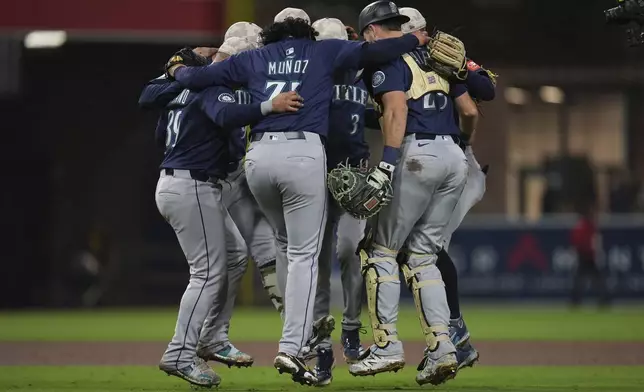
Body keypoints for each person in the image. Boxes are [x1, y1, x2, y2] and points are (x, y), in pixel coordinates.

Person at [165, 7, 430, 385]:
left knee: (285, 245)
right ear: (307, 33)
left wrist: (177, 68)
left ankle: (304, 341)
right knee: (306, 254)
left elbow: (199, 78)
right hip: (302, 155)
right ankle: (295, 346)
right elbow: (373, 53)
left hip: (257, 158)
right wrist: (413, 39)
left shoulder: (254, 57)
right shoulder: (320, 51)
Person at [149, 45, 302, 387]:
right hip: (193, 186)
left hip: (185, 182)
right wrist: (267, 106)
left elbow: (161, 131)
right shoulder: (215, 88)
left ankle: (213, 337)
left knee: (234, 256)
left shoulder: (188, 88)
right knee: (206, 273)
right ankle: (180, 353)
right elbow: (224, 116)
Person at [349, 0, 479, 386]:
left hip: (416, 154)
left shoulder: (386, 59)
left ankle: (387, 346)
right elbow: (469, 108)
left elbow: (395, 111)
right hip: (453, 156)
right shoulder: (434, 55)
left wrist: (386, 165)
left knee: (379, 250)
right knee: (423, 257)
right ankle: (442, 349)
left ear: (372, 31)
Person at [398, 6, 497, 372]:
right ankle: (454, 334)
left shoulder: (411, 63)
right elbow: (476, 102)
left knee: (424, 250)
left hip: (440, 159)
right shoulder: (442, 62)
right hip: (457, 160)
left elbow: (479, 96)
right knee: (427, 250)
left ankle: (454, 335)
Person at [309, 18, 370, 386]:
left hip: (354, 173)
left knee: (349, 249)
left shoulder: (364, 73)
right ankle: (320, 348)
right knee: (314, 261)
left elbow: (376, 115)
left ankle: (350, 328)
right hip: (315, 174)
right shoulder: (308, 75)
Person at [570, 204, 610, 307]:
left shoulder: (588, 226)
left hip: (587, 256)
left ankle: (577, 300)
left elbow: (593, 241)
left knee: (589, 279)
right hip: (585, 255)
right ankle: (577, 300)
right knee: (585, 279)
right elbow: (578, 241)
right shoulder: (585, 226)